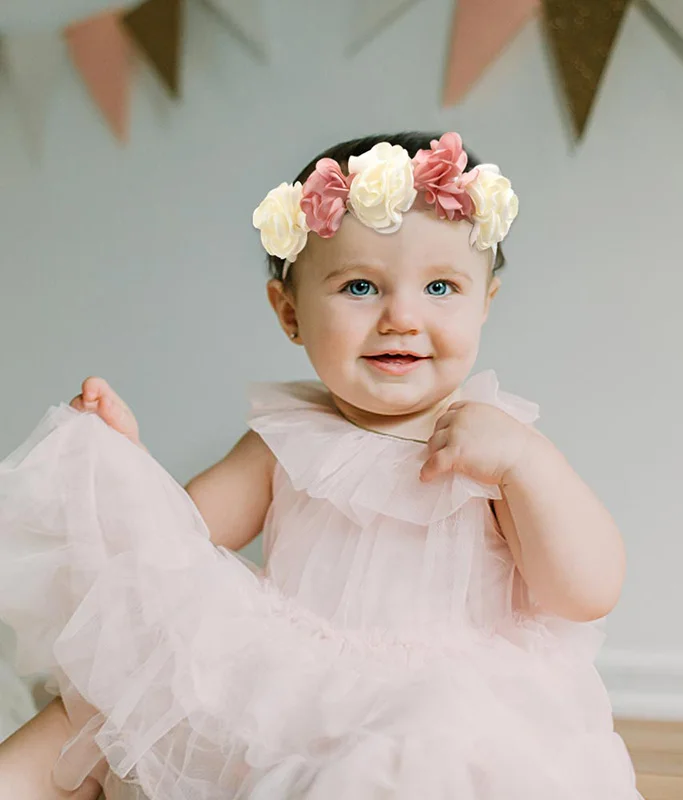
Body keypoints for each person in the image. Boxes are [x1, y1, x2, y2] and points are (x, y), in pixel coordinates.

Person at [0, 132, 641, 799]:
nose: (401, 316)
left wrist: (526, 466)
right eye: (361, 286)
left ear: (485, 303)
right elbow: (176, 542)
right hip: (282, 681)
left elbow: (586, 591)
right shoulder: (284, 442)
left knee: (418, 762)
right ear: (290, 314)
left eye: (441, 286)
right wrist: (124, 462)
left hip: (442, 695)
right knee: (119, 689)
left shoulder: (495, 447)